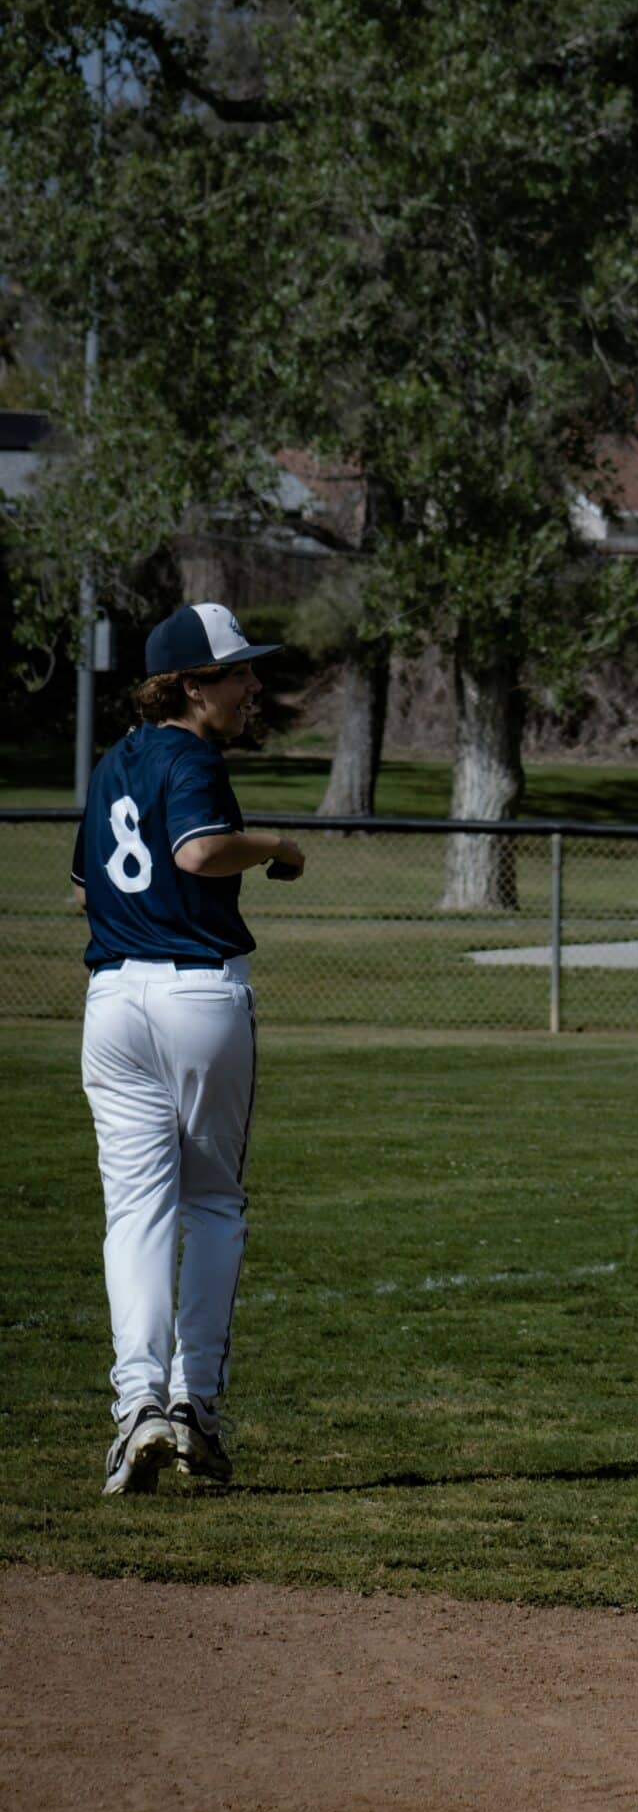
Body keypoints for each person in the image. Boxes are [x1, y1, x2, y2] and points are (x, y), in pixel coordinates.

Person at [71, 603, 305, 1495]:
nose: (252, 685)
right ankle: (194, 1405)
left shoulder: (114, 761)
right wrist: (279, 847)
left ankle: (136, 1407)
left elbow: (91, 882)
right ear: (191, 685)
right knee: (211, 1202)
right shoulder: (191, 755)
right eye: (238, 672)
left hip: (111, 997)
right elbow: (202, 851)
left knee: (134, 1210)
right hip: (195, 991)